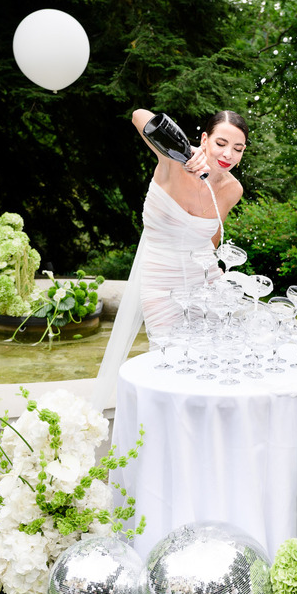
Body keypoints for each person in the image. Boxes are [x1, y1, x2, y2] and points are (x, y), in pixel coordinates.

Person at [91, 109, 248, 411]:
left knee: (215, 365)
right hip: (161, 284)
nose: (228, 154)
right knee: (172, 365)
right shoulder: (174, 158)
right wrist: (181, 146)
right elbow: (139, 116)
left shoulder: (232, 189)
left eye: (238, 148)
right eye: (221, 143)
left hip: (206, 284)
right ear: (204, 139)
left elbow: (212, 239)